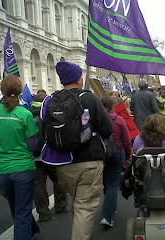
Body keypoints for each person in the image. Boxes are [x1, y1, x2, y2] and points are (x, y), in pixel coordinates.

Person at [44, 61, 113, 240]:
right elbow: (107, 128)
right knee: (85, 207)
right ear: (77, 78)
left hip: (62, 164)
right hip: (88, 162)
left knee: (78, 203)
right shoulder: (88, 97)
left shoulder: (52, 100)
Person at [0, 75, 40, 240]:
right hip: (23, 169)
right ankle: (25, 233)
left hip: (1, 169)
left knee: (16, 207)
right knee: (22, 211)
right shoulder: (24, 114)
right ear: (20, 91)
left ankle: (32, 229)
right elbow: (33, 146)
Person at [29, 92, 68, 222]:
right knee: (58, 180)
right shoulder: (49, 112)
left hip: (34, 156)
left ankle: (43, 213)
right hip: (50, 153)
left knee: (39, 185)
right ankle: (61, 206)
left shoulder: (27, 113)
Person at [100, 96, 132, 227]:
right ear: (113, 106)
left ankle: (109, 205)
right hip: (116, 153)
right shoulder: (118, 120)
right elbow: (126, 140)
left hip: (100, 154)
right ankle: (107, 215)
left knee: (105, 182)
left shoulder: (95, 120)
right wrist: (128, 156)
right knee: (113, 184)